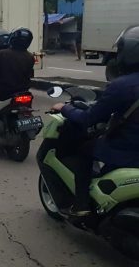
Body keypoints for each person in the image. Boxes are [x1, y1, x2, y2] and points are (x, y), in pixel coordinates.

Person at [51, 25, 139, 216]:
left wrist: (65, 108)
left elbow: (88, 119)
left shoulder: (122, 86)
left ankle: (81, 205)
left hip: (128, 150)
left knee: (84, 150)